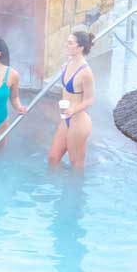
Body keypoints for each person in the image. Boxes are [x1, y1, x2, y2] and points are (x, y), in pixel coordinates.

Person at [48, 30, 97, 170]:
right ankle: (57, 188)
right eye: (67, 42)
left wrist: (72, 109)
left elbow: (90, 100)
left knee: (76, 164)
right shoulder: (69, 63)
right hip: (67, 119)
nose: (66, 45)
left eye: (70, 43)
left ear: (80, 47)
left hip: (79, 121)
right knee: (53, 158)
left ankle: (75, 191)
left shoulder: (86, 73)